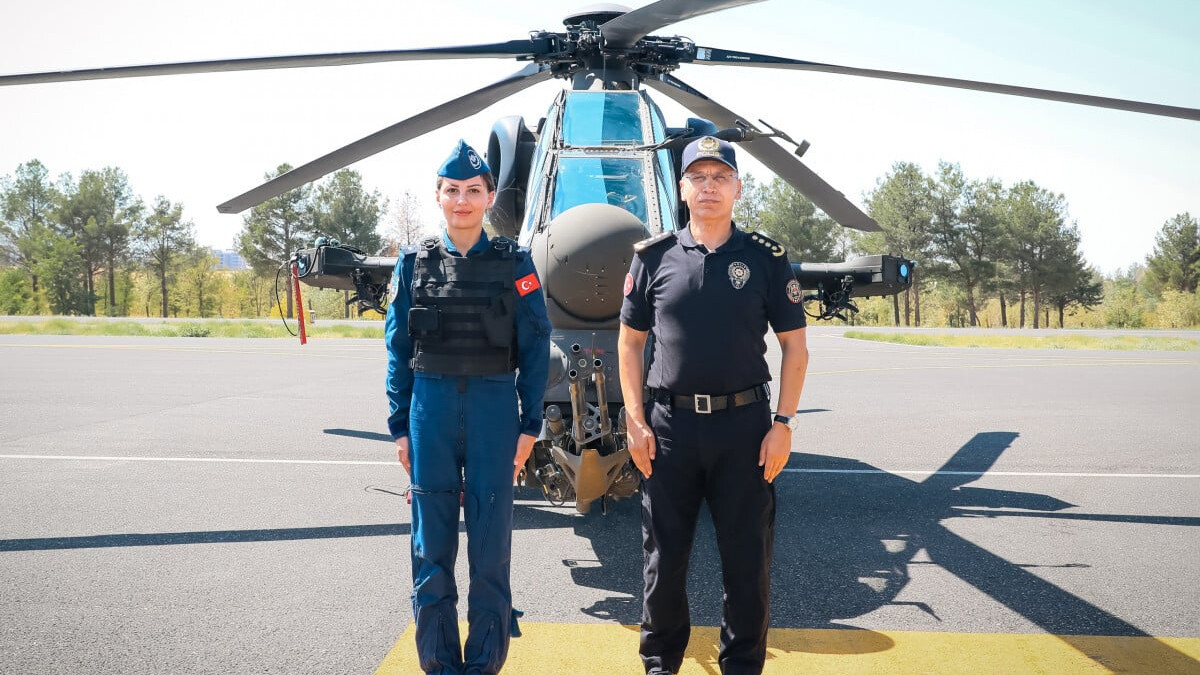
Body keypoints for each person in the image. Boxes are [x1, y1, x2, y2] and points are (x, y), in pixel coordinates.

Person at [617, 136, 810, 675]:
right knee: (663, 561)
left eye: (720, 177)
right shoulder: (653, 258)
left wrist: (784, 425)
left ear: (738, 189)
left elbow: (796, 347)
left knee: (747, 563)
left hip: (745, 430)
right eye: (698, 178)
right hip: (668, 430)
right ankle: (660, 664)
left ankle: (742, 667)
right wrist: (635, 421)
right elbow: (629, 344)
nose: (709, 187)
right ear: (681, 189)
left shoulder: (765, 260)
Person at [385, 139, 551, 675]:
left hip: (493, 412)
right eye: (452, 190)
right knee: (430, 550)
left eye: (473, 191)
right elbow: (397, 348)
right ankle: (439, 663)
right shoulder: (413, 264)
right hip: (429, 412)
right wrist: (400, 427)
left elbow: (536, 342)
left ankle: (482, 664)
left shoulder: (516, 262)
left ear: (489, 197)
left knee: (490, 551)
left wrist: (529, 426)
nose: (462, 200)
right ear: (438, 195)